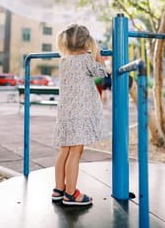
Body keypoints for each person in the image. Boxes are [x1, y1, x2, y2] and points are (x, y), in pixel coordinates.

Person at [52, 23, 108, 206]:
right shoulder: (86, 59)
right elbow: (101, 73)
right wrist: (98, 56)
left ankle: (58, 189)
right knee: (76, 151)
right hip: (80, 113)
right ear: (86, 43)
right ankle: (71, 194)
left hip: (66, 112)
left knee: (64, 150)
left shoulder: (65, 60)